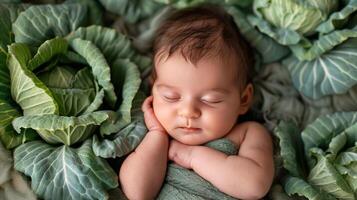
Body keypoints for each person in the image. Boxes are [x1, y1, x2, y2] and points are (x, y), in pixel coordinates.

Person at [119, 4, 274, 200]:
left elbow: (254, 186)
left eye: (211, 100)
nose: (188, 112)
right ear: (153, 90)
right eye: (171, 97)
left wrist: (190, 156)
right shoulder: (153, 137)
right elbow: (136, 193)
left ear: (243, 99)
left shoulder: (248, 133)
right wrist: (156, 136)